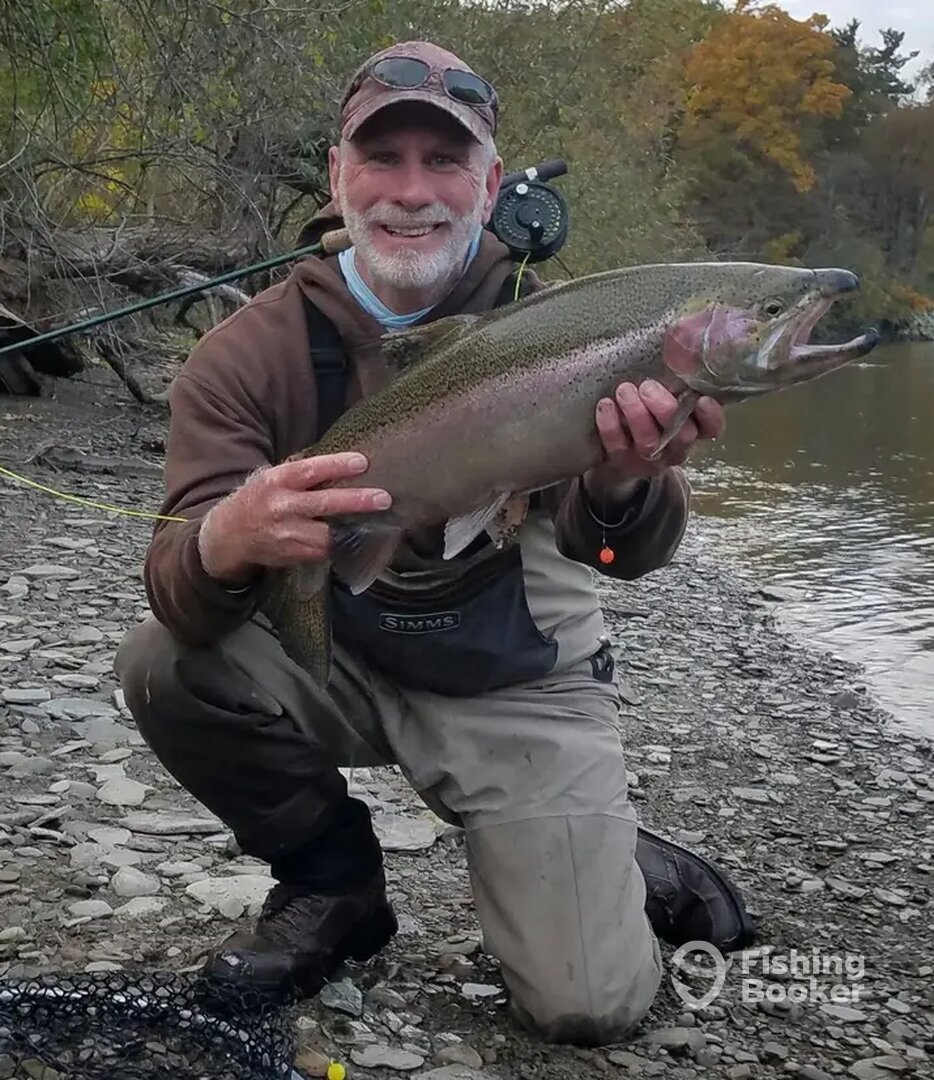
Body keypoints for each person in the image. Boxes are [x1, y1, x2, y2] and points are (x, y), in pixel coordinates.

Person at [114, 39, 755, 1046]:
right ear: (339, 176)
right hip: (341, 652)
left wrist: (625, 481)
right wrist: (227, 536)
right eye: (383, 158)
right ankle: (332, 883)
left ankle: (599, 847)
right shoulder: (243, 358)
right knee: (164, 665)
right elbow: (177, 590)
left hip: (516, 674)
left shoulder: (565, 329)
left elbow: (620, 560)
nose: (411, 192)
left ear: (490, 186)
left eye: (445, 161)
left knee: (587, 1009)